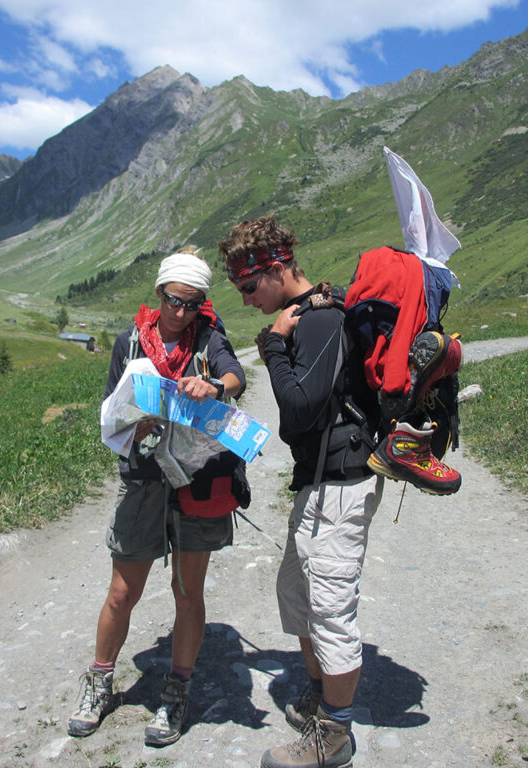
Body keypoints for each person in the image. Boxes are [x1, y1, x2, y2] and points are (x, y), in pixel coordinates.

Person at [219, 216, 382, 768]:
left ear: (275, 268)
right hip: (319, 482)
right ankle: (319, 698)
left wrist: (272, 349)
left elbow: (298, 412)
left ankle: (334, 734)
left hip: (339, 484)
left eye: (247, 288)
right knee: (297, 592)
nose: (245, 301)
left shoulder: (317, 321)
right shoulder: (311, 316)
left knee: (330, 607)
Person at [67, 248, 246, 747]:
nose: (182, 313)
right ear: (159, 294)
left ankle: (176, 690)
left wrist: (212, 386)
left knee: (187, 592)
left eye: (192, 304)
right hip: (144, 477)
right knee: (122, 592)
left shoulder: (209, 339)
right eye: (174, 301)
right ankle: (100, 683)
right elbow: (110, 411)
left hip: (197, 479)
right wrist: (134, 421)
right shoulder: (128, 344)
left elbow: (237, 377)